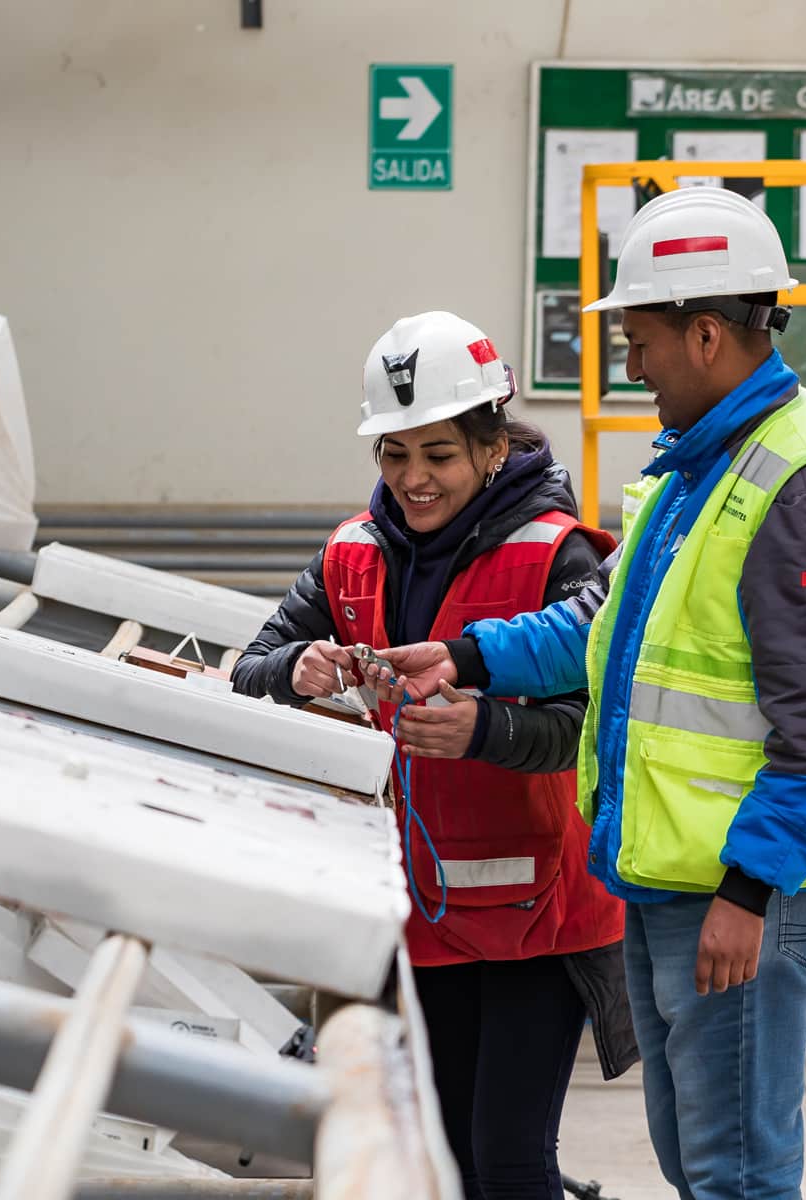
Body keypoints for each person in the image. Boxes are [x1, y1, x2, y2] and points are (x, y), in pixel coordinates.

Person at [363, 188, 806, 1200]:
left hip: (739, 888)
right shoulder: (698, 471)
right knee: (695, 1154)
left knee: (735, 1170)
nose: (628, 364)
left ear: (703, 335)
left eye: (639, 340)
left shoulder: (793, 482)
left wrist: (747, 892)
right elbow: (598, 635)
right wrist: (462, 659)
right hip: (670, 875)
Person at [231, 311, 633, 1200]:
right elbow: (246, 667)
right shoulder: (351, 555)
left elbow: (597, 728)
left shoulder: (558, 557)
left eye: (440, 455)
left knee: (509, 1156)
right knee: (446, 1149)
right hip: (421, 909)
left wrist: (484, 730)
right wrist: (295, 670)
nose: (414, 479)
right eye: (394, 455)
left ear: (492, 447)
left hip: (543, 916)